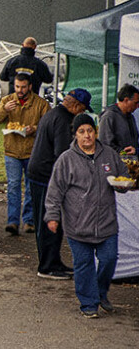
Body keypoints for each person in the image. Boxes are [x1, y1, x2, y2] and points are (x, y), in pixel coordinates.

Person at [45, 113, 137, 318]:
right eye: (81, 132)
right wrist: (52, 216)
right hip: (78, 226)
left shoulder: (109, 155)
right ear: (75, 135)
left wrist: (126, 184)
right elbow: (54, 191)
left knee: (109, 259)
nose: (87, 135)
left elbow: (124, 177)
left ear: (95, 131)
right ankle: (89, 303)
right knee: (84, 264)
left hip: (106, 223)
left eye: (90, 130)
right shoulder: (66, 160)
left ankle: (100, 292)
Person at [28, 88, 91, 280]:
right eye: (83, 109)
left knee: (47, 219)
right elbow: (62, 154)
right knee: (50, 220)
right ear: (75, 106)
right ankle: (47, 265)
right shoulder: (64, 121)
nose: (82, 114)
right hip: (46, 176)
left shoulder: (53, 113)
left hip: (39, 172)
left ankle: (52, 261)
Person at [0, 72, 49, 235]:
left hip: (32, 152)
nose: (20, 90)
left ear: (30, 86)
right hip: (12, 150)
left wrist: (34, 129)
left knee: (31, 187)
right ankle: (12, 221)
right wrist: (4, 110)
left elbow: (48, 125)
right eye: (17, 87)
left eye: (23, 87)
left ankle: (29, 221)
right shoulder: (7, 101)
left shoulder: (40, 104)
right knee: (13, 186)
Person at [98, 83, 139, 155]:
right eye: (135, 103)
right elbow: (105, 145)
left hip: (130, 162)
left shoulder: (131, 117)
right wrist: (124, 153)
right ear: (126, 100)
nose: (137, 106)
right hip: (115, 162)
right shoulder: (108, 117)